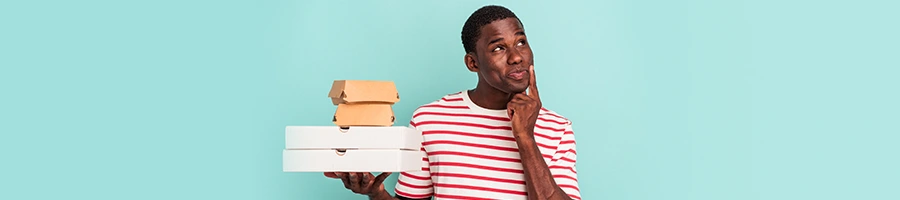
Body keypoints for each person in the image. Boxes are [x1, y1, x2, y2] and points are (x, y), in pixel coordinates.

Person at [324, 5, 580, 200]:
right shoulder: (429, 120)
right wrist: (376, 193)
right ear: (473, 63)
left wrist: (525, 138)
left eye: (521, 42)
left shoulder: (558, 128)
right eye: (498, 48)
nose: (516, 57)